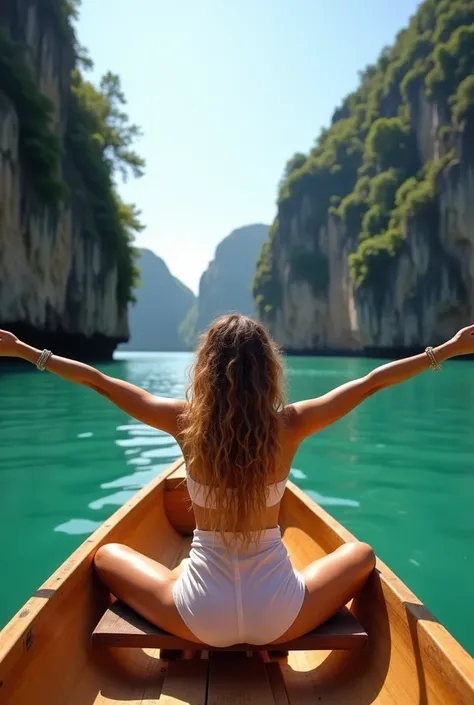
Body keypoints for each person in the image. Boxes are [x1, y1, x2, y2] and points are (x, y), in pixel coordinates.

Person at [1, 316, 473, 647]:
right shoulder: (291, 425)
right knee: (362, 554)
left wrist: (24, 350)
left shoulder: (183, 422)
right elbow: (370, 382)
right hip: (282, 615)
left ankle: (180, 610)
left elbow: (101, 383)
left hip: (196, 615)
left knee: (105, 555)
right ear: (269, 370)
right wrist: (448, 349)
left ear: (206, 369)